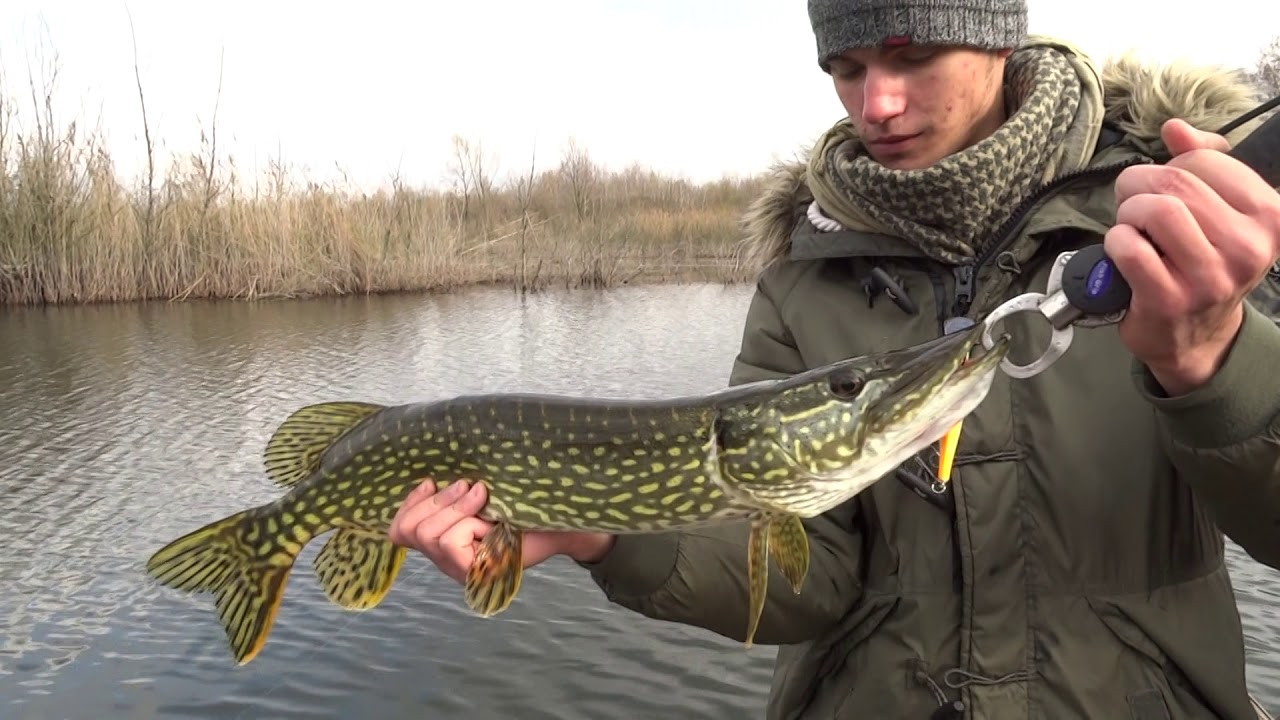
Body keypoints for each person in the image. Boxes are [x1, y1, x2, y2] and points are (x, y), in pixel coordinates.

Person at [389, 1, 1280, 717]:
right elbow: (804, 575)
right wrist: (604, 534)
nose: (874, 104)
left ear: (998, 42)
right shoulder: (802, 281)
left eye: (911, 54)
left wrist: (1213, 365)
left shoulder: (1189, 220)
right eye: (846, 68)